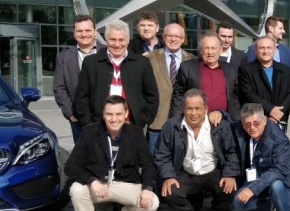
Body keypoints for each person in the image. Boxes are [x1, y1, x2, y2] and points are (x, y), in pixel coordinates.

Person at [65, 95, 159, 211]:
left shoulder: (135, 133)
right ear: (103, 114)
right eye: (109, 114)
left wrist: (148, 188)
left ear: (126, 113)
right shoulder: (89, 132)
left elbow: (148, 165)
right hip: (98, 184)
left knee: (152, 203)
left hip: (125, 183)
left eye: (118, 114)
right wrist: (91, 180)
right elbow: (71, 166)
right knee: (76, 190)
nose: (114, 119)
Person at [155, 89, 240, 211]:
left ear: (206, 109)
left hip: (213, 171)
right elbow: (162, 155)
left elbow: (232, 151)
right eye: (189, 108)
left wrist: (230, 174)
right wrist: (168, 176)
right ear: (183, 109)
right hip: (186, 172)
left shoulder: (220, 125)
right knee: (168, 191)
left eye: (197, 108)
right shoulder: (171, 126)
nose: (193, 113)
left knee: (229, 188)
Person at [232, 103, 290, 211]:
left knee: (276, 186)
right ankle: (267, 208)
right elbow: (228, 122)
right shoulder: (240, 130)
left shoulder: (278, 139)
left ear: (264, 120)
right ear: (242, 123)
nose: (252, 128)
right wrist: (219, 114)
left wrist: (253, 188)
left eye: (256, 123)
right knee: (238, 202)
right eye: (247, 124)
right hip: (258, 174)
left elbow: (280, 169)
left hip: (284, 176)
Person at [75, 19, 159, 130]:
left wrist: (144, 119)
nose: (117, 44)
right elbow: (81, 97)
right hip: (99, 124)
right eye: (113, 39)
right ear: (106, 39)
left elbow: (152, 96)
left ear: (128, 40)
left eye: (121, 40)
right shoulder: (91, 63)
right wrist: (88, 123)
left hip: (132, 124)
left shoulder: (142, 63)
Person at [53, 14, 104, 143]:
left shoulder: (107, 52)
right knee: (83, 153)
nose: (84, 34)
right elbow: (59, 87)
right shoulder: (63, 57)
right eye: (80, 31)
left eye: (88, 30)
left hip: (106, 116)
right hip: (78, 118)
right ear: (74, 33)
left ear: (95, 31)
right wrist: (70, 114)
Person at [146, 23, 196, 153]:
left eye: (177, 36)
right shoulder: (150, 58)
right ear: (163, 37)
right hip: (157, 121)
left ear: (183, 39)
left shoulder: (193, 60)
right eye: (170, 35)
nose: (173, 39)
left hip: (184, 120)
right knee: (155, 159)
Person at [170, 31, 242, 122]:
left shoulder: (230, 69)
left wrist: (236, 119)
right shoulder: (187, 68)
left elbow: (234, 96)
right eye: (206, 48)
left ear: (220, 50)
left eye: (213, 48)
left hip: (225, 121)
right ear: (201, 50)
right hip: (196, 122)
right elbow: (178, 96)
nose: (210, 52)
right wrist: (176, 122)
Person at [237, 36, 290, 127]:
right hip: (256, 120)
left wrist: (277, 113)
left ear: (274, 50)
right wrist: (270, 109)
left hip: (279, 119)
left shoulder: (285, 70)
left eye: (269, 48)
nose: (265, 51)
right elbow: (248, 94)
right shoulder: (246, 69)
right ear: (256, 50)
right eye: (261, 48)